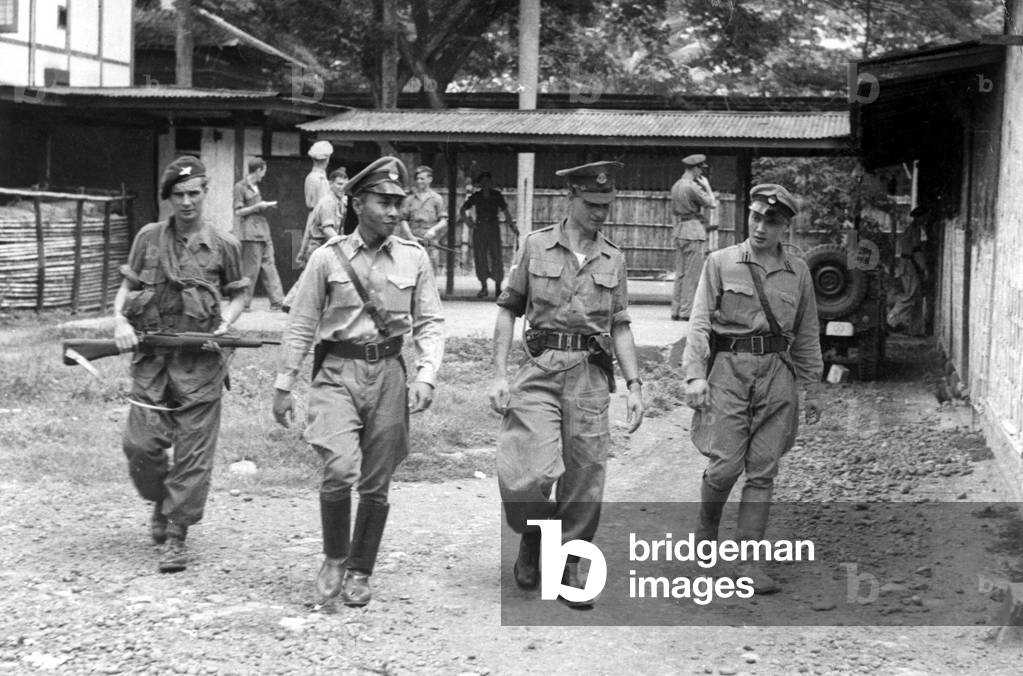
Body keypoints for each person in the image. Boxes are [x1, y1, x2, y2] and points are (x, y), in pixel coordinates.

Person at [272, 156, 444, 608]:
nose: (393, 211)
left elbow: (429, 322)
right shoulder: (327, 259)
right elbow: (302, 323)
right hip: (336, 374)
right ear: (358, 202)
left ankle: (361, 570)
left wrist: (426, 375)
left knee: (376, 479)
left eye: (398, 203)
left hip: (388, 373)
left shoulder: (415, 257)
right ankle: (333, 557)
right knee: (339, 467)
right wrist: (284, 384)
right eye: (383, 202)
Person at [489, 161, 644, 608]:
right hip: (540, 370)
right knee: (528, 474)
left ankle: (567, 567)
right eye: (593, 205)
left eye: (607, 206)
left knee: (585, 477)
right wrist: (498, 373)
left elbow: (620, 324)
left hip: (591, 376)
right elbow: (507, 308)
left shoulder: (614, 257)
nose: (601, 214)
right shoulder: (535, 245)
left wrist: (634, 384)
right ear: (570, 199)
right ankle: (534, 539)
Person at [681, 183, 823, 594]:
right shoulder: (720, 262)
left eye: (772, 221)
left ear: (786, 228)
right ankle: (706, 533)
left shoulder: (798, 273)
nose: (761, 226)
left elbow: (807, 332)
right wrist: (694, 375)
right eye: (756, 216)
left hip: (778, 374)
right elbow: (700, 321)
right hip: (728, 371)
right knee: (725, 466)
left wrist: (811, 387)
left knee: (762, 470)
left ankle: (747, 560)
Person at [113, 156, 249, 573]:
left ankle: (176, 533)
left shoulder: (224, 244)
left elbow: (239, 293)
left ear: (205, 194)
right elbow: (127, 287)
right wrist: (119, 319)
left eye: (194, 193)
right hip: (153, 361)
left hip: (200, 364)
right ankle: (160, 497)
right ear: (169, 198)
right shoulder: (149, 238)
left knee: (193, 452)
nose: (187, 202)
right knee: (140, 446)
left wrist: (225, 324)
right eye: (179, 195)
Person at [669, 154, 717, 321]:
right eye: (700, 170)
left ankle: (676, 310)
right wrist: (707, 186)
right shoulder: (692, 187)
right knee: (692, 274)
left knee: (680, 273)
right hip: (693, 232)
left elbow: (674, 211)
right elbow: (712, 203)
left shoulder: (676, 186)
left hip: (680, 230)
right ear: (695, 168)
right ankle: (686, 312)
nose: (701, 174)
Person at [233, 157, 285, 311]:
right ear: (258, 170)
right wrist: (257, 206)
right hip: (250, 233)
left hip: (263, 231)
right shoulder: (240, 187)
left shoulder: (256, 187)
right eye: (263, 171)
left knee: (269, 265)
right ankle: (244, 303)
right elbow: (238, 211)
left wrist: (264, 207)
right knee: (251, 269)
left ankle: (277, 301)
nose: (264, 175)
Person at [460, 171, 517, 298]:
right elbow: (462, 210)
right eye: (483, 182)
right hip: (479, 229)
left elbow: (506, 212)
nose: (486, 184)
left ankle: (498, 288)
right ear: (480, 183)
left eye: (488, 181)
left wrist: (512, 226)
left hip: (493, 228)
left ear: (491, 183)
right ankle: (483, 287)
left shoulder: (496, 195)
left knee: (496, 256)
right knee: (480, 257)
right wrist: (470, 223)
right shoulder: (477, 196)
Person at [887, 205, 929, 336]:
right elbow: (916, 251)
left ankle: (916, 330)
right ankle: (890, 321)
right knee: (910, 296)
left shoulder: (912, 229)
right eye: (924, 217)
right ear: (920, 218)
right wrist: (924, 268)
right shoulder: (914, 230)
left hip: (908, 264)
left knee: (917, 297)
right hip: (909, 265)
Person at [399, 165, 448, 271]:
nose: (419, 181)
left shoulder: (437, 199)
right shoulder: (410, 199)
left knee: (430, 272)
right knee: (411, 272)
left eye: (422, 179)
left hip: (430, 241)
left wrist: (433, 230)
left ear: (430, 179)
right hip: (413, 240)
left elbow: (443, 221)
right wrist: (410, 236)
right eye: (417, 179)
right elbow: (403, 219)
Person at [296, 167, 348, 268]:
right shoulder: (328, 202)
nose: (342, 188)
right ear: (330, 184)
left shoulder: (340, 202)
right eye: (339, 184)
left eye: (345, 184)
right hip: (318, 249)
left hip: (327, 248)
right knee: (310, 282)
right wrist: (344, 246)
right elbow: (328, 230)